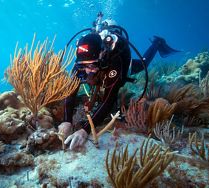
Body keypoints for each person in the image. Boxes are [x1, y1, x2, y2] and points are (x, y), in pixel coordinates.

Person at [58, 15, 179, 150]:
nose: (88, 71)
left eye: (92, 65)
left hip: (122, 67)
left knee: (143, 63)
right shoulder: (81, 65)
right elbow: (70, 94)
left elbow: (108, 101)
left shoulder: (115, 62)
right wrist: (67, 121)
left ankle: (157, 43)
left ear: (102, 55)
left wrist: (84, 131)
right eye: (83, 66)